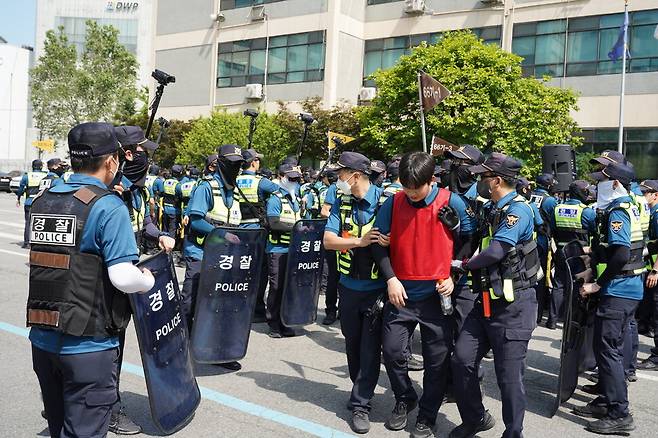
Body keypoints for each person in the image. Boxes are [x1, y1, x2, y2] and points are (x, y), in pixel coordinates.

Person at [28, 122, 155, 438]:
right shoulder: (107, 206)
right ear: (112, 160)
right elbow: (123, 276)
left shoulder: (45, 199)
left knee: (59, 428)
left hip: (42, 341)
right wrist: (147, 280)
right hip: (88, 345)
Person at [450, 153, 540, 438]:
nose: (478, 181)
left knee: (509, 378)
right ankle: (475, 418)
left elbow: (497, 250)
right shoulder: (491, 207)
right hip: (486, 300)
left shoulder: (519, 210)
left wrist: (463, 265)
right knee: (462, 359)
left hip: (514, 307)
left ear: (497, 180)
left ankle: (514, 433)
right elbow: (475, 237)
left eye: (482, 177)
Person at [372, 151, 459, 438]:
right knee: (393, 351)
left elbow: (472, 240)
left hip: (437, 296)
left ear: (431, 180)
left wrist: (453, 274)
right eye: (405, 186)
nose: (410, 193)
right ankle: (405, 397)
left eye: (416, 188)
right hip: (401, 293)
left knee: (437, 360)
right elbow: (376, 243)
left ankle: (427, 415)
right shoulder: (394, 201)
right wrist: (391, 279)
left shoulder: (450, 200)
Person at [110, 125, 176, 434]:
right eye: (141, 153)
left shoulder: (140, 190)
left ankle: (107, 402)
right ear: (125, 154)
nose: (145, 159)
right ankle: (108, 408)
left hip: (131, 274)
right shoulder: (107, 193)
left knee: (118, 344)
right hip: (108, 280)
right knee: (109, 347)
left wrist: (161, 235)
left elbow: (145, 224)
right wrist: (114, 192)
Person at [573, 162, 644, 435]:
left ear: (615, 184)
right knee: (609, 348)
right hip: (627, 288)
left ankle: (619, 413)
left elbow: (622, 255)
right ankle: (605, 399)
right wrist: (593, 265)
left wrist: (597, 285)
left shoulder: (618, 210)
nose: (595, 184)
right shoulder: (632, 205)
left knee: (608, 351)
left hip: (619, 290)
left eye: (601, 180)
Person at [322, 152, 385, 434]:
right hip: (349, 288)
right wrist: (359, 241)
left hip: (377, 289)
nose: (338, 180)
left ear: (355, 176)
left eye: (341, 174)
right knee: (352, 343)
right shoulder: (341, 201)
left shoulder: (388, 202)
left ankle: (361, 403)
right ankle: (360, 387)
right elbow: (328, 240)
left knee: (370, 349)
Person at [183, 145, 244, 371]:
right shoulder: (206, 188)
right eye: (232, 163)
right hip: (200, 255)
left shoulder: (235, 190)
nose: (236, 168)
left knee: (221, 305)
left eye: (240, 164)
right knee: (191, 302)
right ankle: (181, 346)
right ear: (219, 163)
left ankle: (218, 350)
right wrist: (222, 234)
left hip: (225, 257)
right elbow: (196, 220)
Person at [265, 163, 311, 337]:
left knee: (289, 288)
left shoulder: (298, 199)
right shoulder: (275, 198)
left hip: (294, 250)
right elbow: (274, 223)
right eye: (291, 178)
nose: (294, 181)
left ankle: (285, 321)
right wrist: (296, 227)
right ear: (281, 177)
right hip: (278, 249)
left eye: (296, 179)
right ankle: (273, 324)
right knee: (276, 287)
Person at [236, 148, 281, 323]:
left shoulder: (234, 180)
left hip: (237, 230)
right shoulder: (261, 182)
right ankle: (256, 309)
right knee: (259, 270)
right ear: (254, 162)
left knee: (240, 268)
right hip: (256, 230)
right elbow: (279, 191)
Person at [549, 180, 596, 330]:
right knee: (578, 284)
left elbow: (552, 229)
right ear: (581, 193)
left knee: (558, 285)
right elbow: (594, 231)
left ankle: (552, 320)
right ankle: (571, 320)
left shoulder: (557, 208)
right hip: (580, 253)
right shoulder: (586, 211)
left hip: (562, 251)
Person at [530, 173, 558, 326]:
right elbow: (554, 222)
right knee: (540, 277)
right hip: (541, 241)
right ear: (548, 185)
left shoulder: (528, 195)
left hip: (527, 240)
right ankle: (537, 314)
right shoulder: (550, 201)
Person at [637, 180, 658, 370]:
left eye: (646, 192)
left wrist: (656, 270)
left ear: (655, 195)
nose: (642, 195)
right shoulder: (651, 212)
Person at [320, 170, 341, 325]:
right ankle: (330, 311)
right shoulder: (335, 188)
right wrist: (337, 222)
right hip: (335, 239)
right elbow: (324, 211)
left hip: (352, 240)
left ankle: (344, 309)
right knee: (334, 277)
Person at [16, 159, 47, 248]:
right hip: (41, 202)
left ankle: (26, 243)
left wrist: (18, 198)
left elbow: (21, 189)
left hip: (29, 202)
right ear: (41, 166)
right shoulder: (45, 175)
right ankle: (39, 243)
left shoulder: (27, 176)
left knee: (28, 222)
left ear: (32, 166)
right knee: (41, 223)